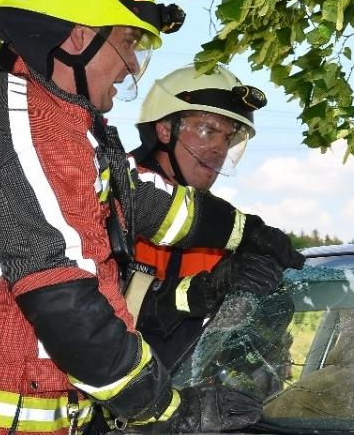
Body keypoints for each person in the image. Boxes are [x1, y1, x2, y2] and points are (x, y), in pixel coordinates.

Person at [0, 0, 301, 434]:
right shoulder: (26, 133)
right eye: (128, 42)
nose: (132, 65)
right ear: (79, 37)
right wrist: (166, 411)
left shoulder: (67, 131)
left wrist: (246, 233)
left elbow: (157, 206)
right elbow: (66, 304)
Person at [128, 65, 299, 371]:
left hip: (181, 405)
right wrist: (205, 290)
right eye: (207, 130)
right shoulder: (115, 193)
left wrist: (264, 316)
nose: (219, 148)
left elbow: (221, 346)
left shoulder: (223, 230)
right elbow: (103, 311)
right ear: (166, 129)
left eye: (229, 138)